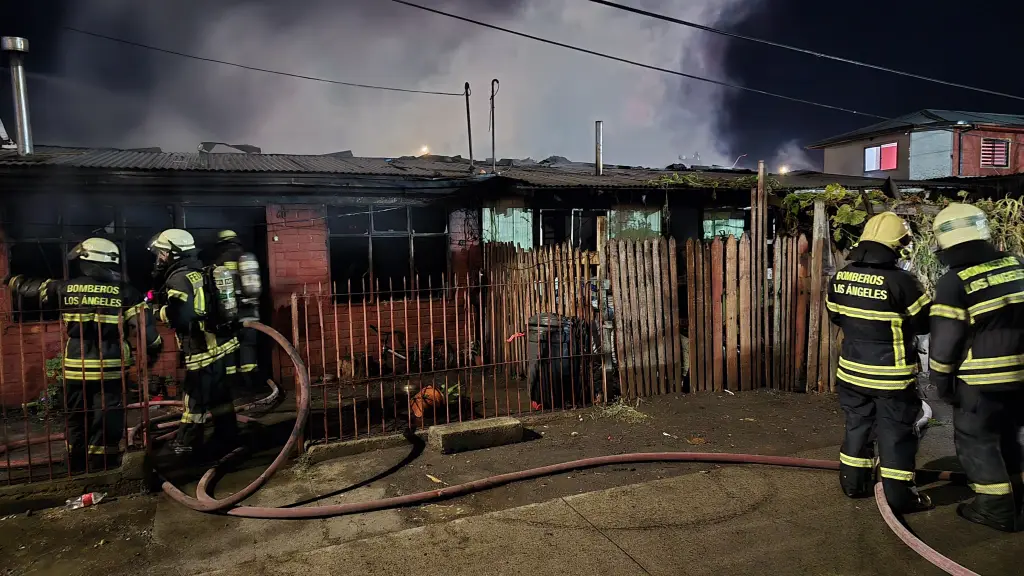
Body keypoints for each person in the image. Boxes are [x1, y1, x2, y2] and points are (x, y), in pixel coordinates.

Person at [6, 238, 162, 472]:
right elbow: (148, 334)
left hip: (75, 367)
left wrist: (11, 281)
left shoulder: (66, 287)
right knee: (107, 418)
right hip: (109, 369)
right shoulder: (126, 292)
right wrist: (151, 356)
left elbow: (30, 288)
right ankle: (104, 466)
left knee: (77, 417)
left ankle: (75, 465)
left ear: (87, 260)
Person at [825, 212, 933, 514]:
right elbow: (924, 324)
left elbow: (836, 316)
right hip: (892, 376)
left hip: (852, 372)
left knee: (858, 425)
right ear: (896, 246)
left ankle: (853, 484)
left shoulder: (841, 277)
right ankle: (900, 496)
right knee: (895, 432)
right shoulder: (903, 282)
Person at [928, 203, 1024, 532]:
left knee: (977, 441)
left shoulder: (955, 282)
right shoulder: (1017, 265)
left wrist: (940, 381)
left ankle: (995, 508)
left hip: (982, 381)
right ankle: (1018, 497)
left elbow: (945, 342)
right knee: (1009, 437)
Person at [148, 228, 240, 457]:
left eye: (162, 253)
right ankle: (228, 437)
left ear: (173, 254)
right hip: (221, 345)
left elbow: (182, 315)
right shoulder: (198, 271)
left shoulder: (178, 278)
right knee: (220, 396)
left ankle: (186, 444)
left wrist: (157, 311)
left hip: (201, 349)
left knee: (194, 399)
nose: (159, 258)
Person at [200, 230, 261, 392]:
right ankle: (251, 386)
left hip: (228, 315)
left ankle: (233, 388)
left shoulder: (218, 263)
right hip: (250, 314)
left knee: (228, 351)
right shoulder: (247, 259)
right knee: (248, 349)